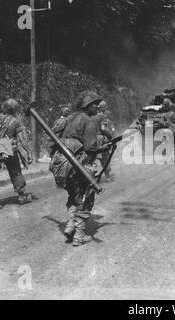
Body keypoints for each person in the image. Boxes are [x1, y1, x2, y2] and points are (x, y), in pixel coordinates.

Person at [49, 91, 108, 247]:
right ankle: (79, 234)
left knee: (74, 195)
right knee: (86, 198)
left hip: (61, 164)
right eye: (95, 104)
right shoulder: (89, 121)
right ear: (87, 106)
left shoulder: (69, 118)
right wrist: (102, 148)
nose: (97, 106)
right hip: (78, 165)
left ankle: (70, 226)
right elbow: (91, 147)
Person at [0, 99, 33, 211]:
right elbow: (22, 139)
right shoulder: (15, 121)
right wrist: (28, 152)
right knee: (15, 171)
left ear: (3, 107)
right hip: (10, 150)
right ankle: (21, 196)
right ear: (14, 110)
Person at [92, 100, 115, 182]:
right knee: (105, 158)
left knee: (92, 159)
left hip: (90, 139)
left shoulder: (91, 116)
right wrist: (109, 136)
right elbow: (103, 128)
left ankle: (91, 177)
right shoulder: (102, 116)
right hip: (101, 139)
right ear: (104, 108)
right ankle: (107, 177)